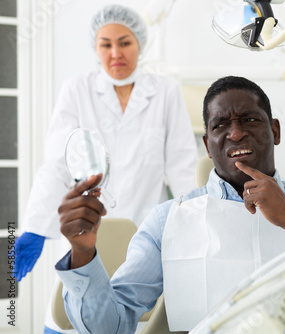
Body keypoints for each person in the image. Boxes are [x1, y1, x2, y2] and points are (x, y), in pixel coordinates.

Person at [55, 76, 285, 333]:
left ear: (274, 130)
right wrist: (83, 254)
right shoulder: (169, 221)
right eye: (220, 125)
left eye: (249, 120)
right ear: (207, 144)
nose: (235, 134)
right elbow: (109, 326)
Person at [14, 4, 198, 334]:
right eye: (106, 44)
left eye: (125, 42)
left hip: (144, 233)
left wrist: (195, 227)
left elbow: (183, 168)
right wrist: (35, 228)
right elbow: (58, 164)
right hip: (85, 229)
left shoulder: (166, 92)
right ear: (95, 47)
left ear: (140, 42)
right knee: (73, 315)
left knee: (136, 318)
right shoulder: (77, 89)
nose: (116, 53)